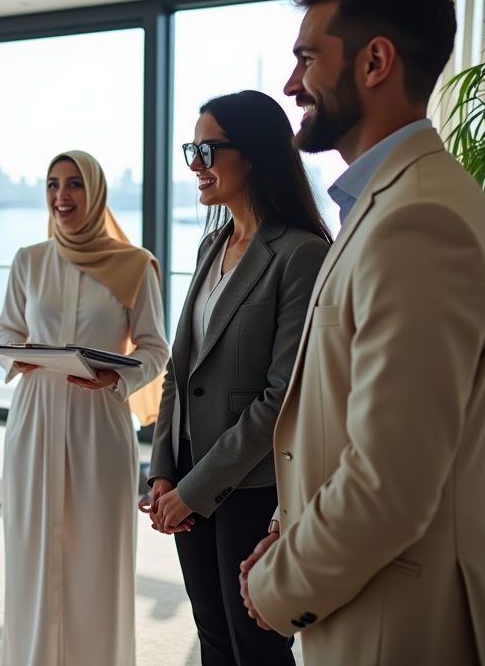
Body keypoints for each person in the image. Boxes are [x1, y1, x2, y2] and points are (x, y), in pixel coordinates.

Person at [239, 0, 485, 666]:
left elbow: (389, 484)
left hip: (401, 627)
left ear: (375, 62)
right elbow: (342, 419)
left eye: (306, 58)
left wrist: (278, 585)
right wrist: (288, 527)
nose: (290, 83)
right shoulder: (392, 203)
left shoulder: (419, 221)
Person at [143, 90, 330, 665]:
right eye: (190, 149)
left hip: (251, 487)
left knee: (259, 643)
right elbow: (181, 368)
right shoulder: (211, 245)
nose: (195, 164)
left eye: (207, 148)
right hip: (186, 475)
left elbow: (282, 399)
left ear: (253, 153)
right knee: (213, 636)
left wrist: (195, 489)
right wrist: (162, 471)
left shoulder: (301, 253)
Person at [0, 150, 170, 665]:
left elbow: (156, 348)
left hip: (100, 423)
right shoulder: (29, 259)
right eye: (52, 184)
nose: (61, 196)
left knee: (96, 558)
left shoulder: (136, 265)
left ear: (94, 194)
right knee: (32, 553)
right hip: (34, 420)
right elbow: (8, 331)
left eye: (73, 184)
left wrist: (119, 374)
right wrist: (21, 356)